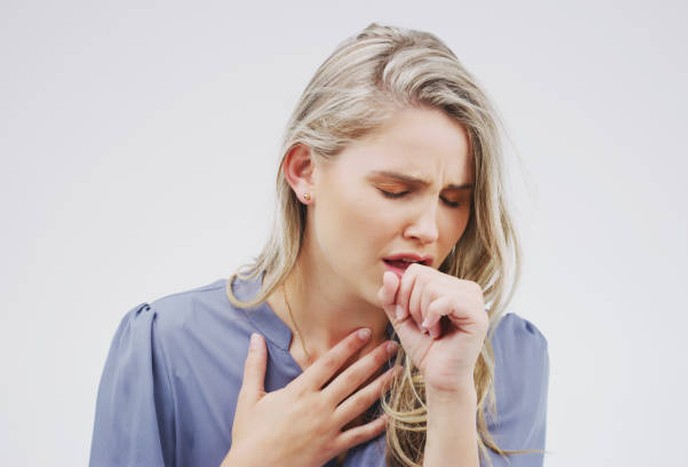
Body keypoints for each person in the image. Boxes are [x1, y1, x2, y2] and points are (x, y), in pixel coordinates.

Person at [89, 23, 548, 467]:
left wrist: (450, 397)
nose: (430, 229)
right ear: (305, 170)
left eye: (453, 200)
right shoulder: (166, 348)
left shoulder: (499, 358)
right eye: (395, 190)